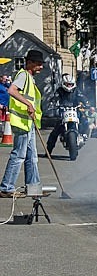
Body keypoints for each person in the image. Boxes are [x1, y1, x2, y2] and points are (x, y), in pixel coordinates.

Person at [0, 50, 43, 197]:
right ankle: (6, 187)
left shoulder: (30, 78)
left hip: (28, 122)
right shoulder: (24, 75)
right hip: (22, 122)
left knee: (32, 157)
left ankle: (34, 187)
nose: (41, 67)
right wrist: (28, 105)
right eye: (38, 63)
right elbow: (12, 90)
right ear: (29, 62)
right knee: (19, 155)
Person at [46, 73, 89, 155]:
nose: (69, 86)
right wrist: (53, 102)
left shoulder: (76, 90)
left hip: (75, 110)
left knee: (84, 120)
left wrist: (86, 103)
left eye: (70, 84)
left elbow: (81, 96)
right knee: (55, 131)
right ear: (63, 83)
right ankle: (48, 150)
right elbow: (55, 97)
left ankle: (83, 134)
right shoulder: (59, 90)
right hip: (63, 111)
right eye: (67, 84)